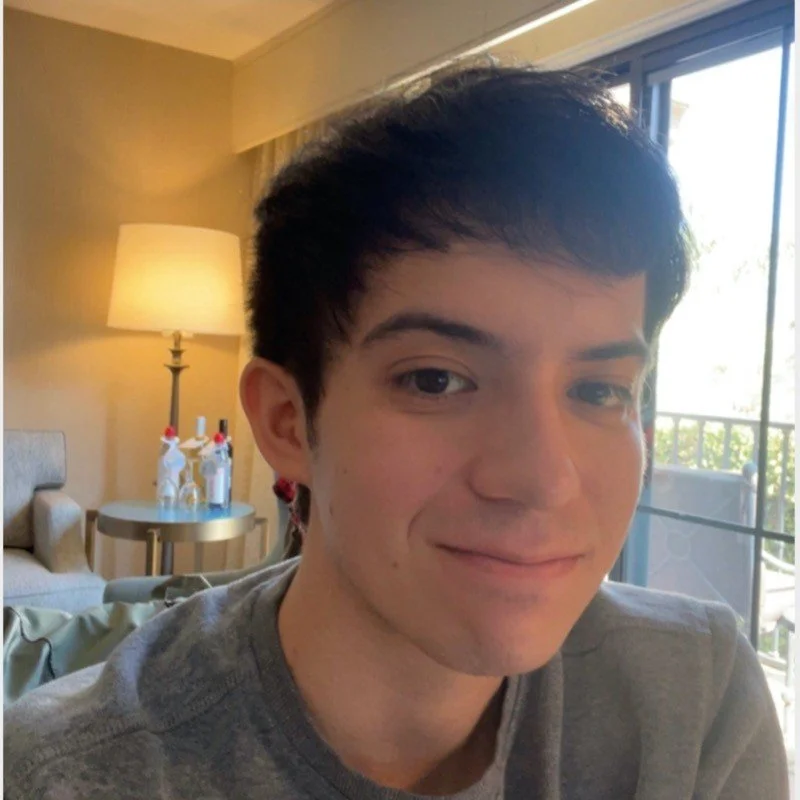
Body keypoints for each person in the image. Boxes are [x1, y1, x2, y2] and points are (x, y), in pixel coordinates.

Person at [4, 62, 788, 799]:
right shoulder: (70, 772)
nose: (545, 480)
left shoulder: (695, 702)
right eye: (436, 380)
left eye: (598, 390)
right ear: (286, 422)